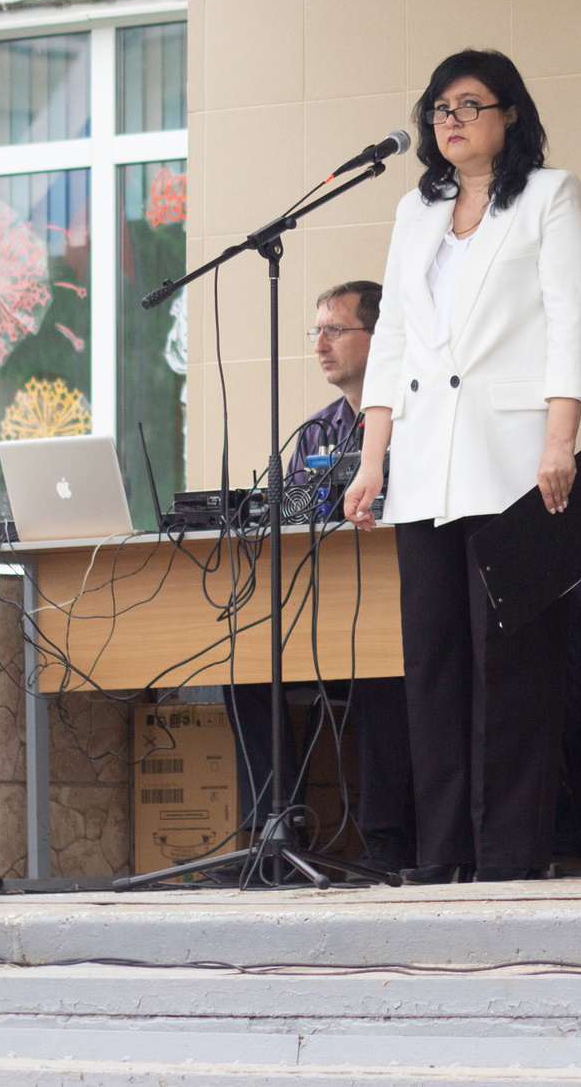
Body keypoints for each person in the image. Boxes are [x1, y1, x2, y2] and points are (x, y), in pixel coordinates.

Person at [344, 48, 581, 882]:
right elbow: (390, 341)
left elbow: (571, 322)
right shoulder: (415, 211)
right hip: (424, 466)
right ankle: (442, 853)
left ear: (510, 114)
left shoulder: (549, 197)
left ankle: (509, 859)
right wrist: (371, 457)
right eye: (438, 107)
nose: (449, 119)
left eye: (468, 104)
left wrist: (558, 440)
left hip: (513, 461)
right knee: (436, 669)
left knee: (513, 676)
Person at [226, 280, 417, 875]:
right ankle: (273, 836)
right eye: (316, 332)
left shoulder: (418, 418)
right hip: (318, 623)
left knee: (382, 670)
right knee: (247, 668)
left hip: (394, 621)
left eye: (335, 330)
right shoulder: (314, 434)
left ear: (377, 336)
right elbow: (286, 523)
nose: (320, 345)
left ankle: (388, 839)